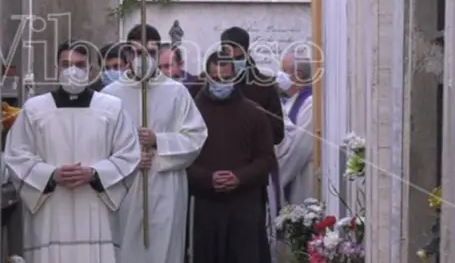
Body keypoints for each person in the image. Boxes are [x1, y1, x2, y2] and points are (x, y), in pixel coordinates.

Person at [5, 40, 142, 262]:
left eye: (79, 64)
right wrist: (50, 175)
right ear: (55, 69)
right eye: (66, 64)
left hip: (96, 213)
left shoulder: (111, 107)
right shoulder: (34, 109)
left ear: (89, 70)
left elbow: (129, 155)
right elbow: (16, 155)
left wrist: (95, 174)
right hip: (51, 213)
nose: (73, 70)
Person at [102, 37, 208, 263]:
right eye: (136, 52)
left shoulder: (176, 92)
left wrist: (158, 140)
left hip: (165, 185)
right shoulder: (109, 95)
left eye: (149, 51)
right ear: (128, 54)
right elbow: (98, 145)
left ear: (158, 52)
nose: (142, 58)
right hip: (125, 189)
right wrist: (128, 159)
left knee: (164, 248)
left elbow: (196, 136)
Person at [187, 50, 276, 263]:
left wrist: (239, 177)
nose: (221, 83)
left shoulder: (254, 113)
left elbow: (266, 159)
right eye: (215, 79)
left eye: (226, 78)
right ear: (206, 77)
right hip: (206, 204)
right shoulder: (192, 113)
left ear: (235, 77)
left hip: (244, 205)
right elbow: (183, 158)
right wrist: (208, 179)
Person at [276, 53, 315, 204]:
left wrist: (277, 178)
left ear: (298, 75)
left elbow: (300, 147)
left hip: (300, 177)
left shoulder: (310, 104)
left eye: (283, 70)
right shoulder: (288, 101)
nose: (279, 75)